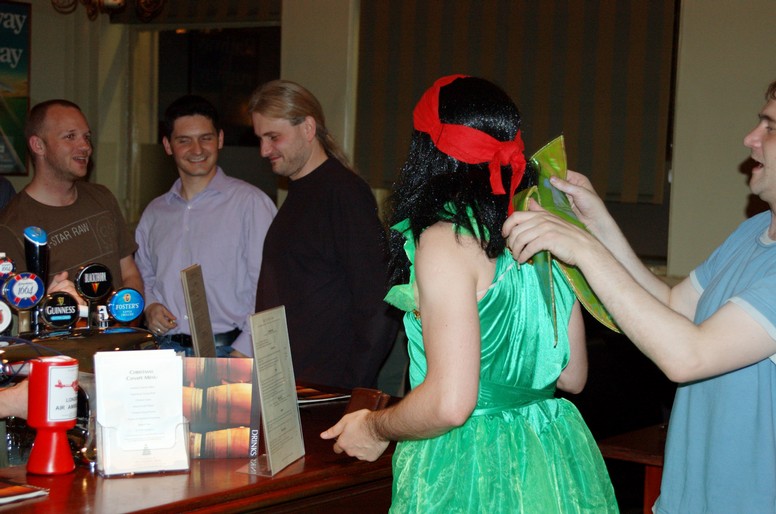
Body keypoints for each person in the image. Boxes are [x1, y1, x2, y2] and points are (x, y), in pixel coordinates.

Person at [321, 75, 617, 512]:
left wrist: (374, 427)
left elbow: (450, 403)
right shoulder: (540, 227)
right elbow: (572, 376)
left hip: (471, 465)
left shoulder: (447, 241)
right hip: (552, 456)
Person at [503, 80, 776, 513]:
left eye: (770, 127)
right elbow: (672, 306)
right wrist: (598, 226)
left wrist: (585, 250)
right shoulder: (752, 233)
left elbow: (688, 356)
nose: (750, 138)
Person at [238, 79, 397, 389]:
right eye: (260, 139)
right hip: (294, 384)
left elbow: (377, 301)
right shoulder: (301, 191)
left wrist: (351, 389)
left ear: (308, 128)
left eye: (273, 137)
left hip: (328, 389)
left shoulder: (343, 193)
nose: (264, 150)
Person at [135, 95, 277, 357]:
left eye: (206, 138)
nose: (197, 149)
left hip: (230, 351)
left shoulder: (251, 204)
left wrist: (245, 350)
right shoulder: (155, 213)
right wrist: (150, 305)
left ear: (220, 139)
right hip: (165, 352)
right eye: (184, 140)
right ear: (168, 145)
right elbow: (144, 273)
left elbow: (270, 285)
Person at [0, 99, 142, 297]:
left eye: (86, 137)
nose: (85, 146)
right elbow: (19, 307)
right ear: (38, 145)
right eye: (70, 136)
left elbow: (129, 273)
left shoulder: (102, 198)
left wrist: (127, 311)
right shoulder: (11, 227)